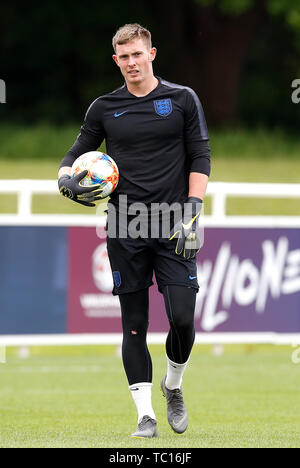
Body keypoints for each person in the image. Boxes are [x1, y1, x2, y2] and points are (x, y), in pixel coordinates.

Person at [58, 23, 211, 439]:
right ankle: (145, 416)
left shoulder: (181, 99)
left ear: (152, 54)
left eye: (137, 55)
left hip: (174, 222)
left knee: (182, 318)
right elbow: (75, 154)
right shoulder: (104, 108)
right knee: (134, 323)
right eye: (123, 58)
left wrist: (193, 210)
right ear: (116, 61)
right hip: (124, 224)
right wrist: (66, 179)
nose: (131, 63)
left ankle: (173, 386)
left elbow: (200, 154)